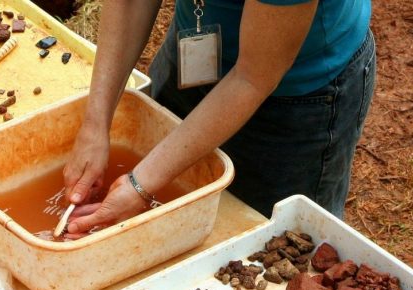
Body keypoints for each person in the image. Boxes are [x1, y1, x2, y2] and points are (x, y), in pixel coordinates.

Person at [63, 0, 376, 237]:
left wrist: (140, 185)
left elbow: (253, 78)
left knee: (272, 244)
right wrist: (96, 123)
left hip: (297, 97)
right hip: (198, 44)